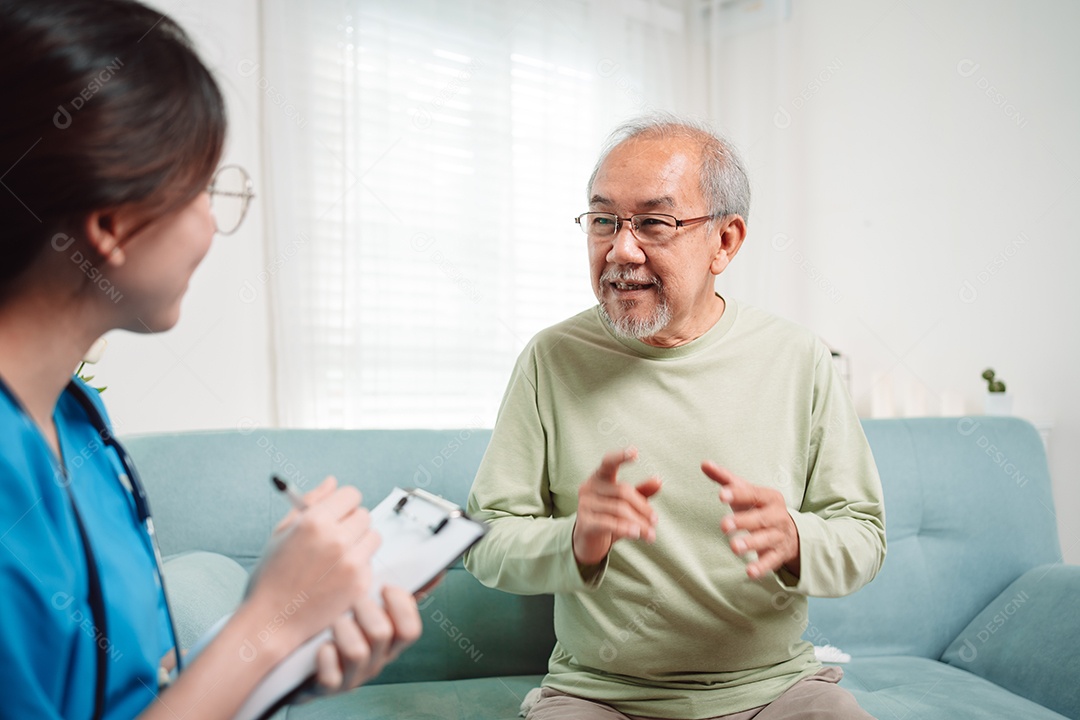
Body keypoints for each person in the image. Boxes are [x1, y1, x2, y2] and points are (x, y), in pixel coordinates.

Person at [0, 1, 420, 718]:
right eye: (202, 188)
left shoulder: (81, 422)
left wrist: (288, 649)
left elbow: (140, 696)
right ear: (111, 226)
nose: (212, 223)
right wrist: (269, 622)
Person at [464, 115, 886, 720]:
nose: (621, 249)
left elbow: (864, 535)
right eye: (604, 220)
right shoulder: (551, 358)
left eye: (655, 223)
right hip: (599, 695)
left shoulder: (798, 358)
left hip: (775, 690)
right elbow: (488, 539)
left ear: (726, 242)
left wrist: (796, 537)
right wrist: (574, 540)